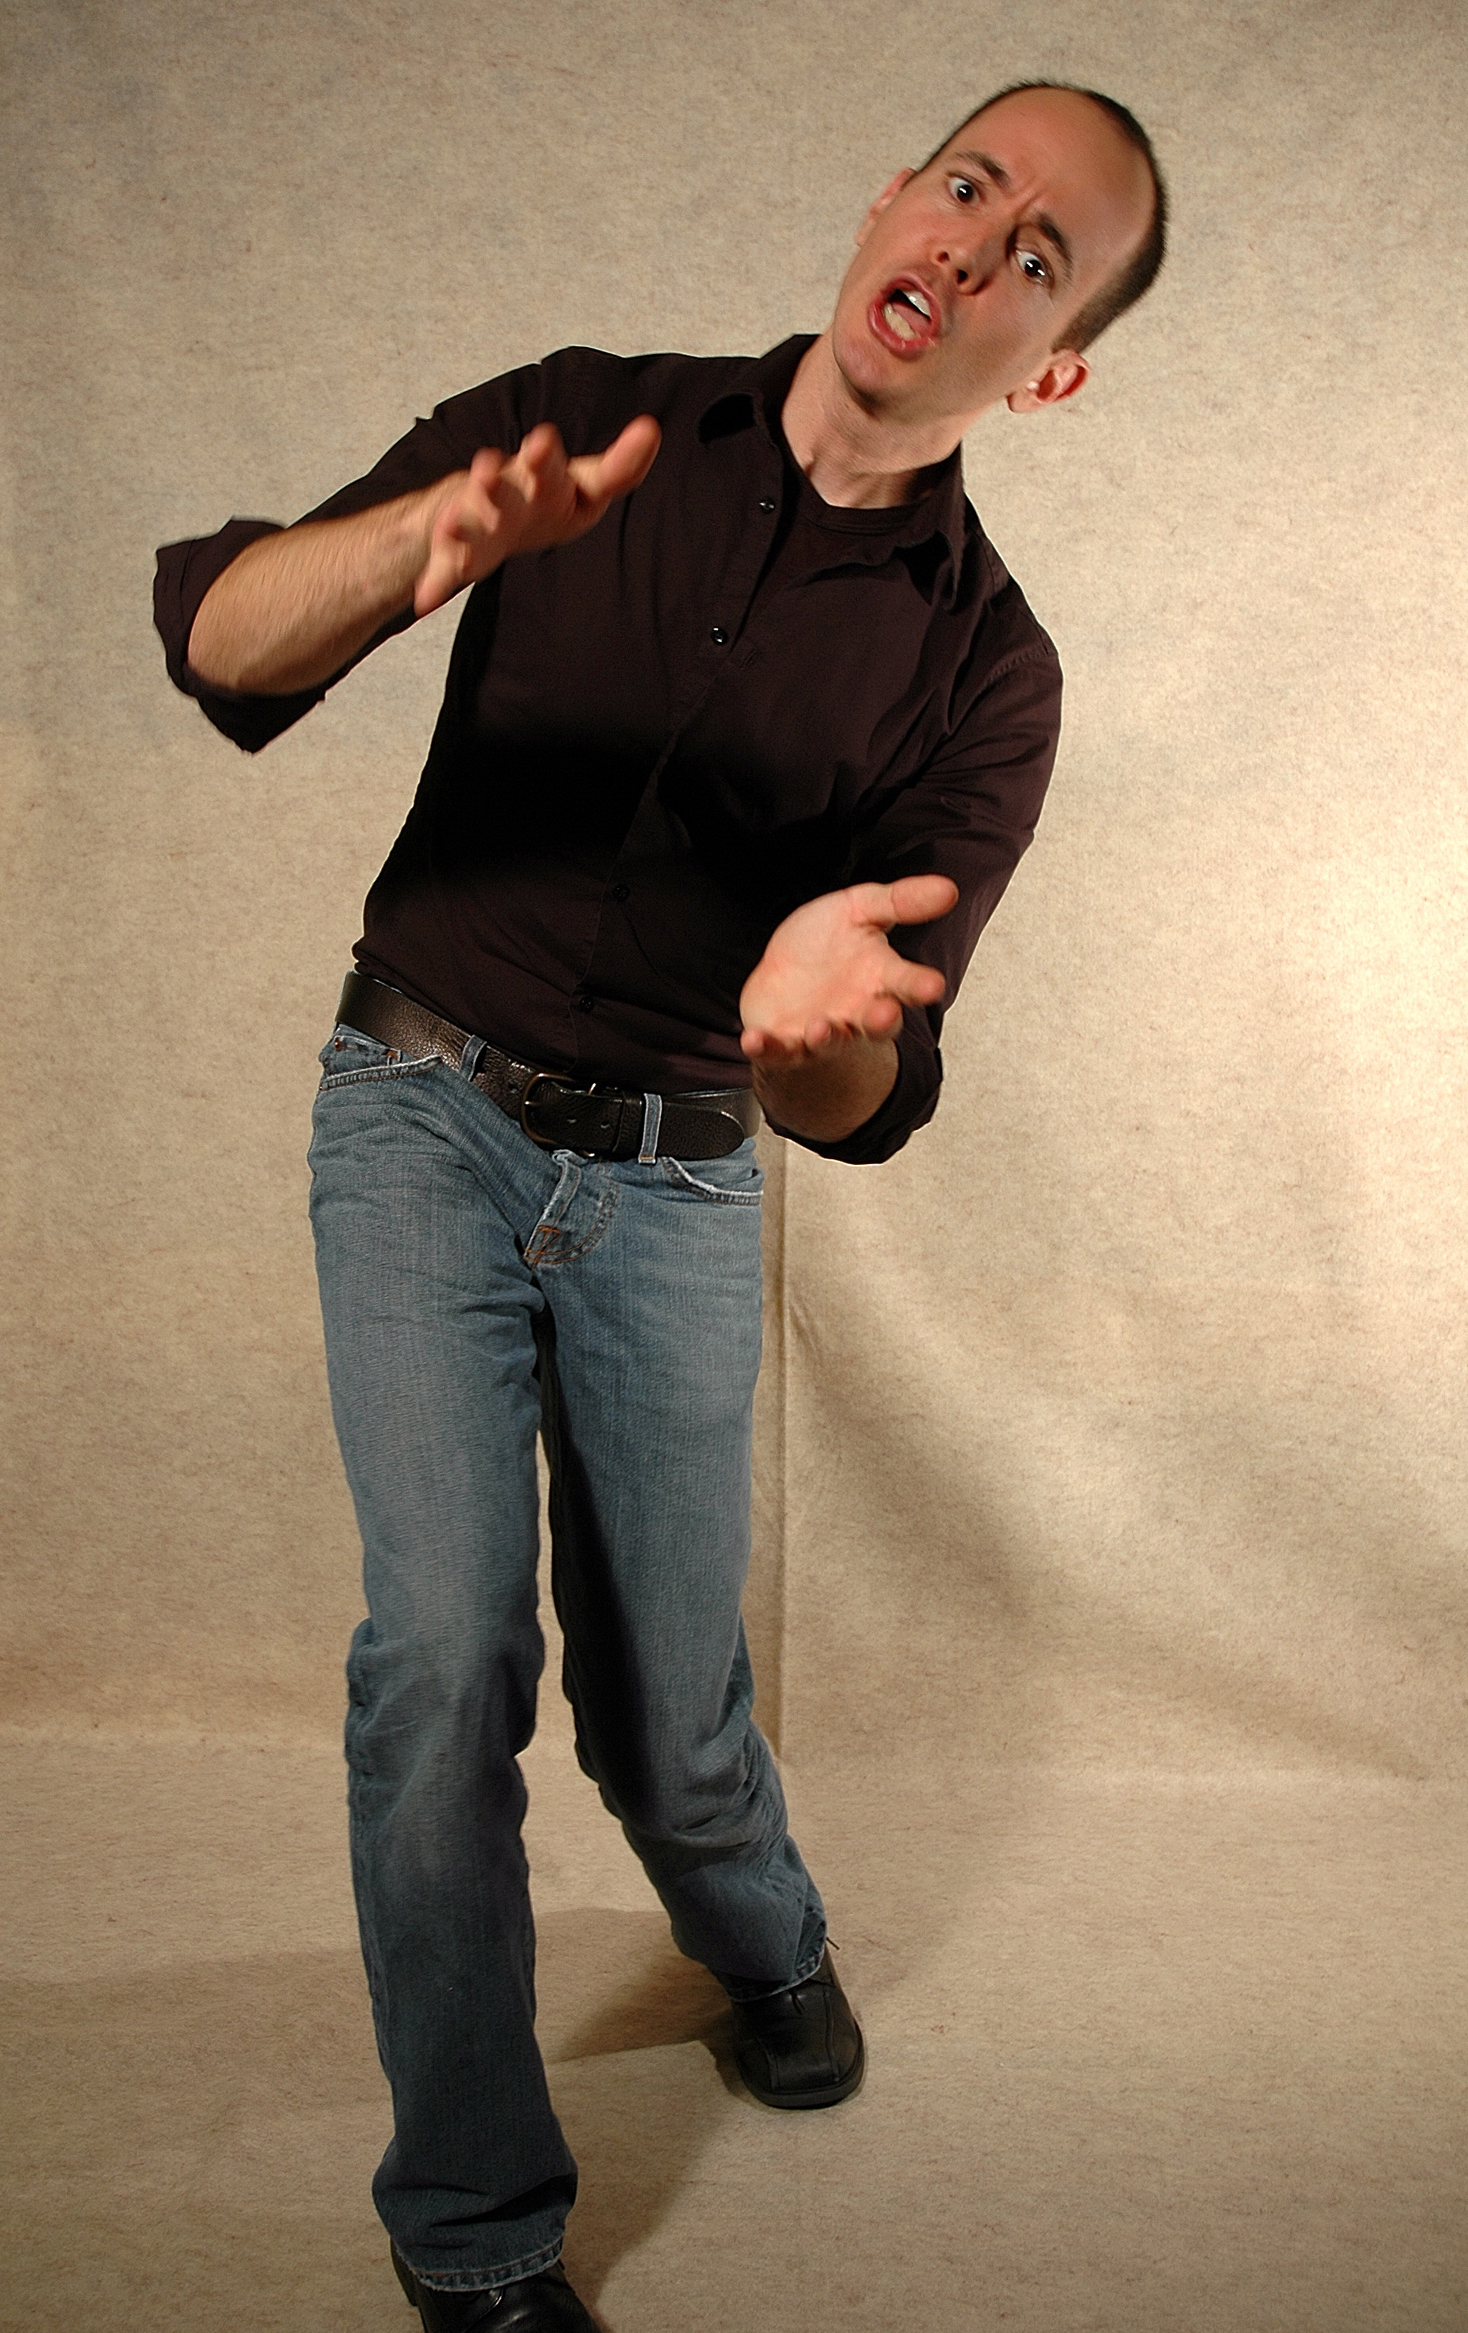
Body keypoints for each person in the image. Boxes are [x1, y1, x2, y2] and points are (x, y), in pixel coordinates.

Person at [154, 80, 1164, 2333]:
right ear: (892, 194)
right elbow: (225, 634)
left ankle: (764, 1937)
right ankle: (479, 2234)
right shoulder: (579, 418)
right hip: (415, 1111)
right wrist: (413, 550)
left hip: (681, 1181)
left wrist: (817, 1037)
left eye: (1042, 259)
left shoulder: (992, 672)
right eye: (970, 187)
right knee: (443, 1660)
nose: (976, 246)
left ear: (1057, 367)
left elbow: (873, 1081)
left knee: (665, 1712)